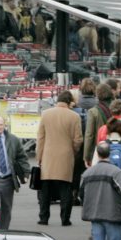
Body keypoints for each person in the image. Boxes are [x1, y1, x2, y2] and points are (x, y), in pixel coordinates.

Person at [36, 91, 83, 227]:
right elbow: (78, 139)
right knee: (65, 188)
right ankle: (65, 219)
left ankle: (44, 218)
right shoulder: (74, 116)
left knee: (45, 188)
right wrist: (73, 151)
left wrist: (39, 156)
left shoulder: (46, 114)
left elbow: (40, 138)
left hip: (48, 155)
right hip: (66, 155)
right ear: (70, 102)